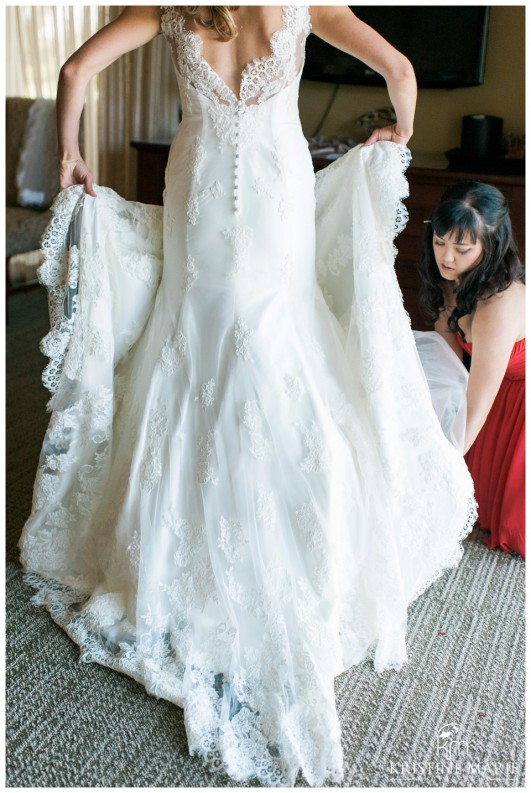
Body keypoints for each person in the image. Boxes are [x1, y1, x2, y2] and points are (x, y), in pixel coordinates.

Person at [19, 6, 476, 787]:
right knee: (284, 347)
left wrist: (68, 154)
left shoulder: (170, 6)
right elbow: (400, 72)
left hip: (199, 206)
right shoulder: (304, 6)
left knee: (192, 346)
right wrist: (395, 139)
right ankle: (305, 527)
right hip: (275, 205)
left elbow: (72, 74)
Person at [416, 181, 525, 558]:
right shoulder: (452, 279)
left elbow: (477, 404)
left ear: (489, 248)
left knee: (514, 529)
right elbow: (446, 365)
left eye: (462, 249)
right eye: (440, 242)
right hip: (490, 389)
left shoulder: (499, 304)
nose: (447, 257)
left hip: (518, 397)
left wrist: (437, 467)